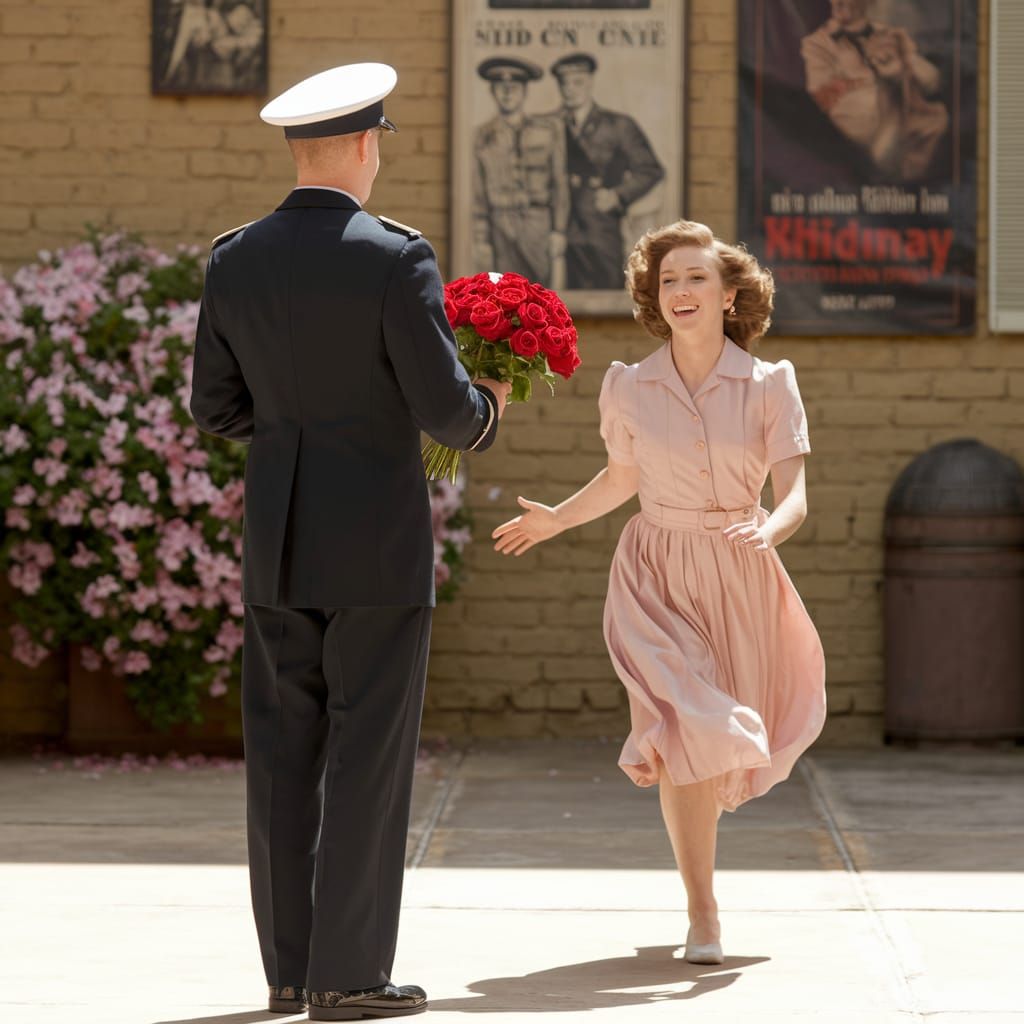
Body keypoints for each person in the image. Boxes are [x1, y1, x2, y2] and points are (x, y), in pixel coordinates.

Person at [190, 62, 511, 1021]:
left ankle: (291, 974)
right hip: (375, 544)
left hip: (277, 542)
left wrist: (294, 429)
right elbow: (448, 414)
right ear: (366, 145)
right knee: (367, 755)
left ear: (302, 151)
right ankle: (349, 976)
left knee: (281, 759)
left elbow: (215, 408)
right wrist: (490, 407)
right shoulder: (395, 256)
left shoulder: (234, 256)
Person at [493, 220, 826, 963]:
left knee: (712, 741)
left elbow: (796, 496)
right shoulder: (629, 385)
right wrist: (557, 519)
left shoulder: (771, 383)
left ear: (729, 293)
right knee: (681, 731)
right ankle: (703, 913)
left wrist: (769, 531)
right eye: (667, 279)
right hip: (653, 573)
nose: (680, 290)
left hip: (738, 570)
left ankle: (703, 897)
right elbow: (622, 479)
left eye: (696, 277)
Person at [549, 52, 664, 290]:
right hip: (559, 224)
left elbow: (650, 169)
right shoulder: (548, 125)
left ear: (590, 82)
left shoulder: (618, 125)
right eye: (564, 83)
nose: (570, 90)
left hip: (601, 225)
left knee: (605, 288)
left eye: (577, 82)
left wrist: (617, 195)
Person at [800, 0, 948, 181]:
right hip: (858, 128)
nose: (838, 2)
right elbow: (820, 98)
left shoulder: (891, 35)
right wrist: (875, 80)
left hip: (910, 126)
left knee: (933, 124)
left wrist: (903, 68)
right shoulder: (816, 45)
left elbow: (931, 80)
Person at [472, 57, 569, 287]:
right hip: (501, 224)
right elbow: (478, 193)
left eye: (514, 87)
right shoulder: (483, 136)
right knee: (503, 292)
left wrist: (559, 230)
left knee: (540, 293)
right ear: (493, 92)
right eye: (501, 87)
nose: (507, 94)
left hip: (538, 222)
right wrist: (481, 238)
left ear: (524, 91)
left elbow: (559, 183)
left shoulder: (547, 131)